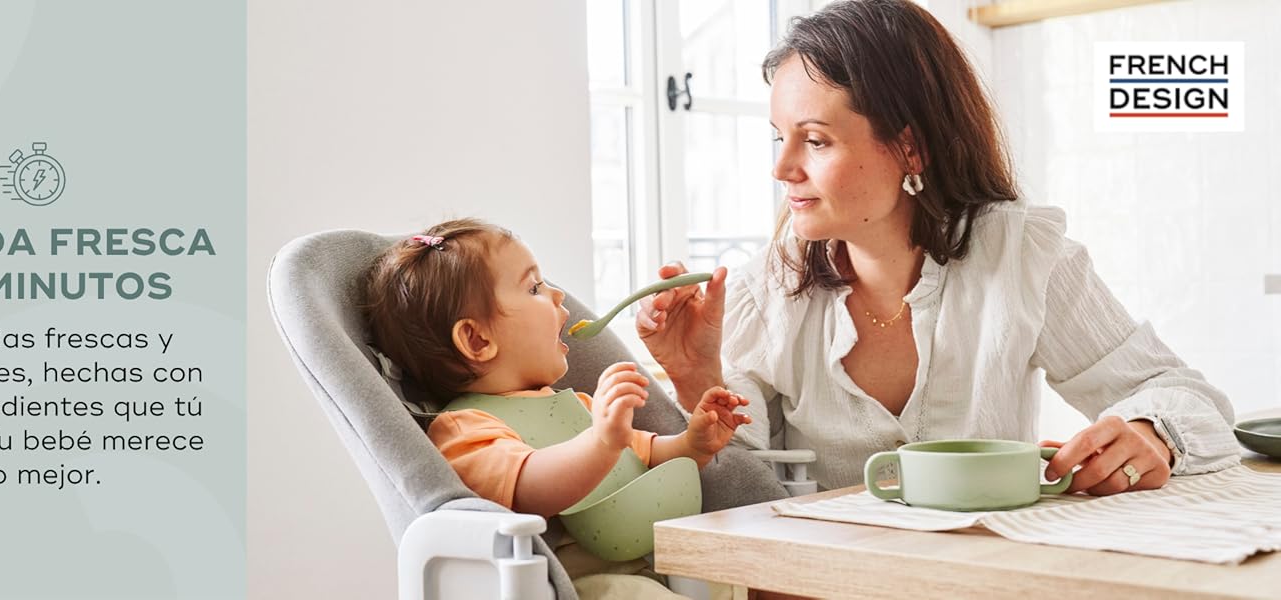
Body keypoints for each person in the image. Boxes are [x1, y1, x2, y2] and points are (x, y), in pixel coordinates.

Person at [637, 0, 1240, 497]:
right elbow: (738, 488)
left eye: (815, 141)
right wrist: (696, 378)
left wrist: (1150, 431)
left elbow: (1192, 399)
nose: (782, 168)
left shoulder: (1023, 258)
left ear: (911, 149)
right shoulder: (764, 292)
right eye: (780, 139)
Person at [363, 218, 753, 599]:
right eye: (534, 287)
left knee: (743, 575)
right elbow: (531, 487)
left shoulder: (573, 405)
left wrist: (692, 443)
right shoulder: (466, 427)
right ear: (477, 340)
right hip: (585, 580)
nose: (558, 295)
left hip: (657, 559)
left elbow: (643, 458)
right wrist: (601, 442)